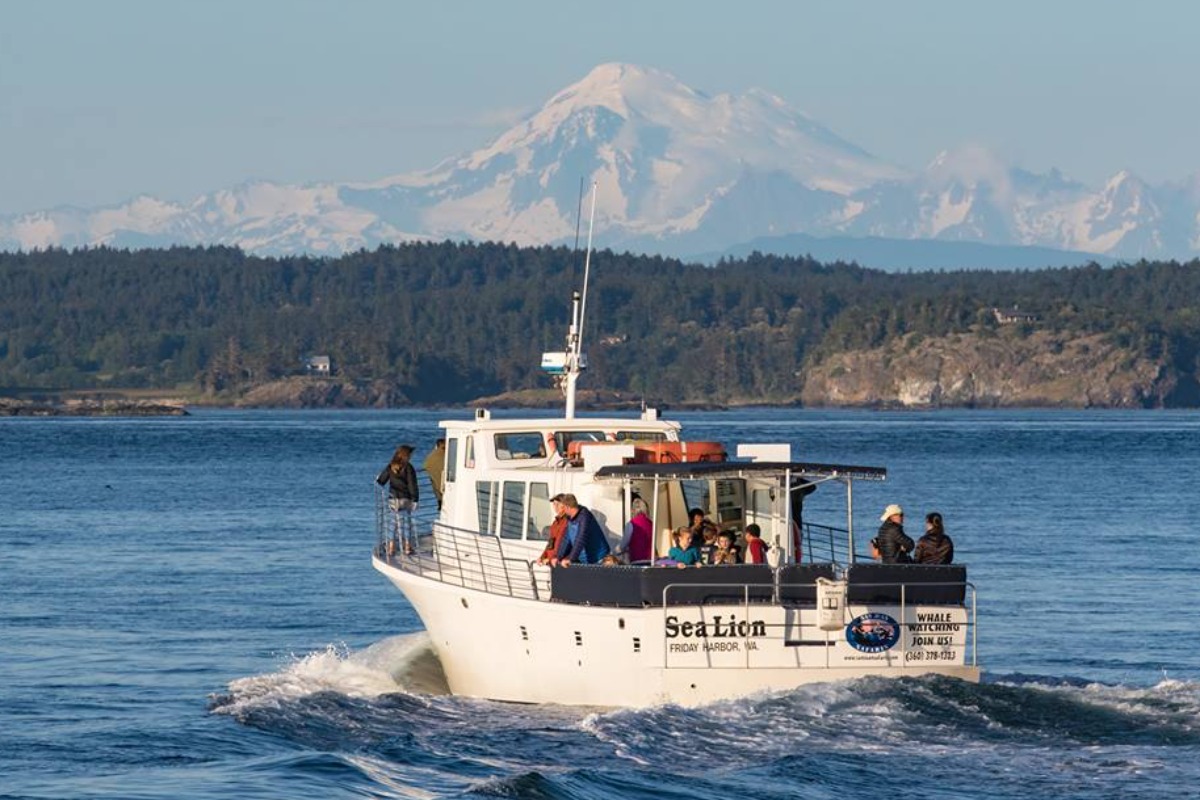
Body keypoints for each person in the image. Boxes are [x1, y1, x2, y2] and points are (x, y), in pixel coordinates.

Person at [376, 445, 419, 555]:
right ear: (406, 455)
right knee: (407, 522)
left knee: (393, 522)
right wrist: (415, 499)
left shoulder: (391, 466)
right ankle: (407, 546)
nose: (411, 456)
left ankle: (391, 547)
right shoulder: (408, 467)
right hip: (405, 499)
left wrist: (378, 479)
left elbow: (381, 481)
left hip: (393, 499)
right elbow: (412, 485)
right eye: (410, 454)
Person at [553, 494, 611, 566]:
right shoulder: (570, 519)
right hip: (586, 561)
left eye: (563, 508)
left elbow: (580, 539)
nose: (563, 510)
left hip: (599, 559)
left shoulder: (585, 517)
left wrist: (570, 559)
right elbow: (566, 539)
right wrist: (558, 557)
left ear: (568, 507)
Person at [614, 496, 653, 563]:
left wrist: (614, 552)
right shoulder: (651, 523)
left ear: (633, 510)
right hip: (650, 560)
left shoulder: (632, 524)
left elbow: (623, 545)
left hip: (637, 560)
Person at [537, 494, 569, 565]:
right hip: (552, 562)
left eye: (558, 504)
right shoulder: (555, 523)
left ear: (565, 505)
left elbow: (565, 544)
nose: (555, 506)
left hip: (561, 562)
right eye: (554, 504)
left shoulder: (569, 521)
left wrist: (552, 559)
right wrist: (542, 557)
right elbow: (551, 543)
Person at [423, 438, 446, 511]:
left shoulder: (431, 456)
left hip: (439, 490)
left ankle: (440, 504)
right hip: (447, 487)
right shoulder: (447, 454)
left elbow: (426, 466)